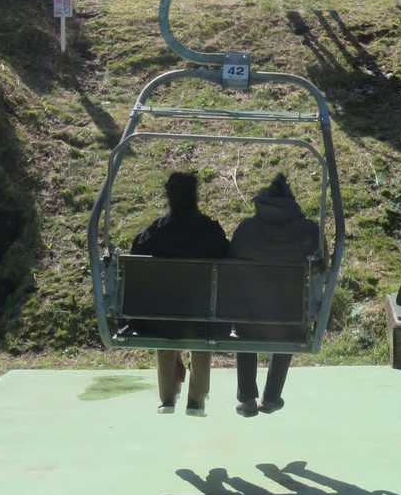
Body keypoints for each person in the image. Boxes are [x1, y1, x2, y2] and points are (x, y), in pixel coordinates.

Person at [130, 171, 231, 415]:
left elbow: (135, 253)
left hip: (162, 321)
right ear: (195, 196)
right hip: (204, 318)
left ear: (169, 196)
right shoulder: (210, 231)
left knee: (166, 319)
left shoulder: (155, 233)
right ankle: (197, 399)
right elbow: (229, 257)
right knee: (202, 329)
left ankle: (167, 396)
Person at [230, 173, 320, 416]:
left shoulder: (246, 231)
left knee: (246, 317)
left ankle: (247, 397)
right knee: (292, 314)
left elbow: (230, 258)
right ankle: (271, 396)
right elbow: (322, 265)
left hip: (249, 320)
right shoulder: (308, 232)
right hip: (290, 321)